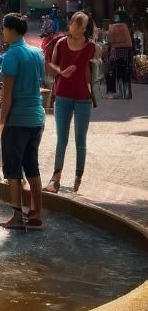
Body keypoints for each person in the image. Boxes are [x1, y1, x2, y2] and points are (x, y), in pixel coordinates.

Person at [0, 13, 46, 230]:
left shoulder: (11, 55)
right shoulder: (36, 53)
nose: (3, 32)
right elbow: (41, 83)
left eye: (4, 28)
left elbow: (7, 96)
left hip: (17, 120)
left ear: (11, 30)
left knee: (13, 169)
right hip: (37, 118)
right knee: (32, 166)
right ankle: (36, 214)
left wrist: (2, 123)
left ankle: (17, 216)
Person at [45, 11, 96, 194]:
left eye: (84, 27)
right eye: (79, 26)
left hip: (83, 98)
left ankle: (78, 177)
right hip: (63, 96)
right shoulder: (60, 43)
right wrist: (61, 71)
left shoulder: (91, 46)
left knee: (80, 139)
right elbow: (51, 65)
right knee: (62, 139)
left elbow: (96, 63)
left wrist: (97, 61)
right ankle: (55, 178)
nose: (81, 30)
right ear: (71, 24)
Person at [106, 12, 134, 100]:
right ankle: (127, 91)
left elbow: (110, 40)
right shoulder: (125, 26)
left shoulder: (112, 27)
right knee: (126, 70)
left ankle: (112, 91)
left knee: (111, 71)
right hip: (127, 51)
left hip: (115, 51)